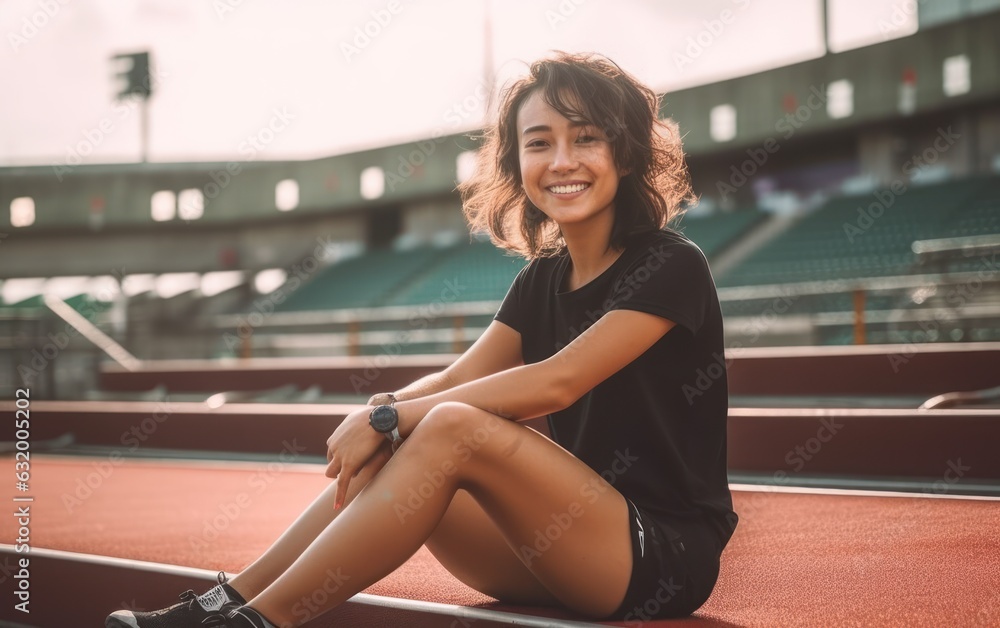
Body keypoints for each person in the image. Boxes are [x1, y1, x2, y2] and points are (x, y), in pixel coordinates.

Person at [106, 51, 737, 628]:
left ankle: (260, 624)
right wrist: (383, 410)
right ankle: (231, 601)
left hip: (659, 555)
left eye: (587, 139)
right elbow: (451, 380)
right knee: (411, 427)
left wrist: (390, 415)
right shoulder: (541, 278)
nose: (562, 161)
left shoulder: (670, 264)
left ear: (624, 154)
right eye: (539, 143)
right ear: (517, 164)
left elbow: (559, 380)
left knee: (444, 425)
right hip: (558, 545)